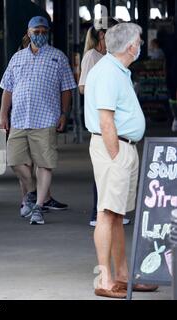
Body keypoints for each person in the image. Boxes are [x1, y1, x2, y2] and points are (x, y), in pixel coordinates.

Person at [85, 23, 158, 298]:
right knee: (107, 212)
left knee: (117, 215)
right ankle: (105, 279)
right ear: (131, 47)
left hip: (122, 148)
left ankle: (123, 276)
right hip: (113, 148)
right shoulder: (108, 73)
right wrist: (116, 156)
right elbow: (106, 119)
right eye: (139, 41)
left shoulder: (116, 70)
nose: (141, 44)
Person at [0, 16, 77, 225]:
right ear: (28, 32)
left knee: (44, 164)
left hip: (46, 119)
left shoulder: (57, 57)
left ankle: (39, 207)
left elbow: (67, 88)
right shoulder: (17, 58)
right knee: (15, 160)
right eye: (36, 31)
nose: (40, 35)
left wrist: (64, 114)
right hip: (19, 118)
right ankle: (32, 192)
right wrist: (2, 115)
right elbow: (7, 89)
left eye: (44, 31)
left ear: (48, 33)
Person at [78, 18, 130, 228]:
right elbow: (83, 86)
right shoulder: (93, 57)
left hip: (116, 119)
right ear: (103, 36)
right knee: (107, 167)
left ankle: (112, 212)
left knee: (115, 167)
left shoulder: (111, 58)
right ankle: (99, 213)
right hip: (103, 121)